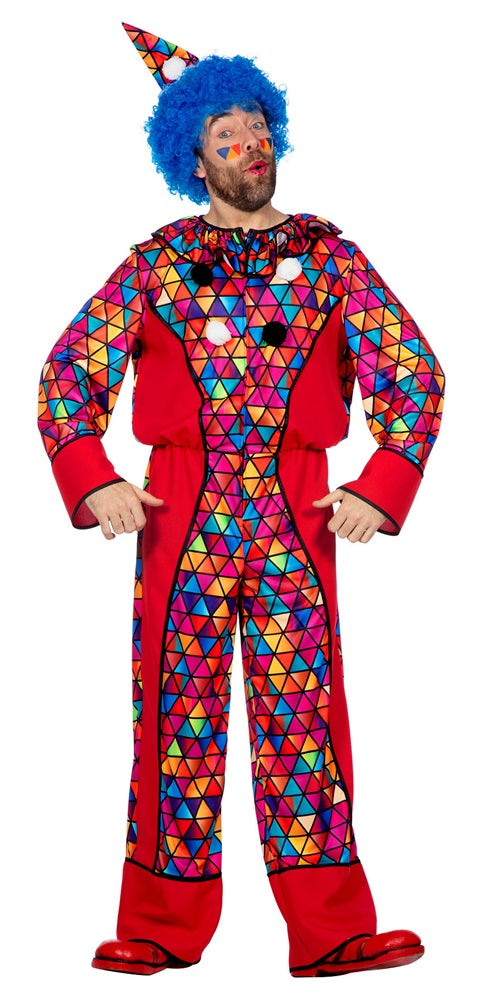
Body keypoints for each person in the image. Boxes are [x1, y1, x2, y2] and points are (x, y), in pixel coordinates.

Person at [37, 21, 445, 978]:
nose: (249, 146)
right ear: (193, 159)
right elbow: (67, 375)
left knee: (305, 722)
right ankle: (158, 925)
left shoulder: (331, 260)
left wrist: (382, 483)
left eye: (258, 128)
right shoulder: (155, 264)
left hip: (296, 513)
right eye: (226, 135)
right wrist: (95, 477)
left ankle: (331, 930)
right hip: (178, 513)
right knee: (173, 717)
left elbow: (411, 371)